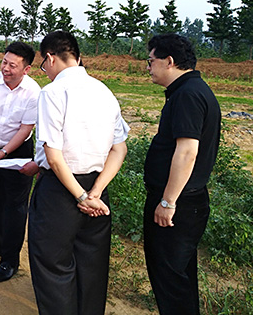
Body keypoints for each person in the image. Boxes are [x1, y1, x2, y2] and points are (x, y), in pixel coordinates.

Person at [27, 30, 129, 314]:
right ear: (78, 56)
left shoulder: (53, 92)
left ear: (50, 58)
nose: (45, 71)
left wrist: (81, 197)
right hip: (98, 189)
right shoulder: (104, 91)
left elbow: (54, 156)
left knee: (53, 266)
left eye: (43, 65)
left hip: (62, 191)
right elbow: (119, 150)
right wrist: (95, 192)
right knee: (92, 265)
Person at [143, 34, 220, 315]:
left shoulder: (187, 95)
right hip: (187, 202)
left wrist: (168, 202)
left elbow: (187, 152)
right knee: (179, 277)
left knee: (170, 280)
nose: (148, 67)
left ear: (169, 61)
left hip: (178, 205)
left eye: (151, 61)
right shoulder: (193, 90)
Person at [0, 42, 40, 282]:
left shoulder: (33, 91)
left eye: (13, 65)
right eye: (4, 62)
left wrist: (4, 152)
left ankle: (10, 260)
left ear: (27, 69)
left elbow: (26, 128)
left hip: (18, 150)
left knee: (15, 206)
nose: (6, 68)